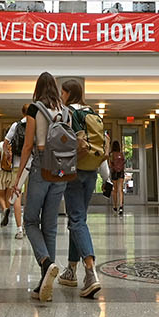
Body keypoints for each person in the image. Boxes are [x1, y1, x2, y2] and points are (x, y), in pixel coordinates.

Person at [13, 72, 71, 302]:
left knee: (29, 220)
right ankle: (43, 283)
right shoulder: (65, 111)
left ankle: (46, 263)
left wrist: (17, 179)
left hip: (40, 166)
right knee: (50, 226)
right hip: (61, 170)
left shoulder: (34, 110)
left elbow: (27, 146)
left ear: (38, 88)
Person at [56, 79, 104, 298]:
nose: (61, 95)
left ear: (67, 93)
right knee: (78, 220)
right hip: (91, 170)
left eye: (62, 92)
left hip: (74, 170)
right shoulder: (91, 111)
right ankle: (71, 271)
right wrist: (107, 177)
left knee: (76, 220)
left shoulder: (67, 112)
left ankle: (90, 271)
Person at [0, 117, 28, 237]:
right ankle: (28, 225)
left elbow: (6, 144)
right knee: (31, 196)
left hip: (17, 165)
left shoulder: (16, 125)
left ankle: (19, 229)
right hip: (33, 165)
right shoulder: (37, 123)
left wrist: (9, 155)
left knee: (16, 195)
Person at [108, 139, 126, 215]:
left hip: (114, 172)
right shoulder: (121, 154)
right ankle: (121, 206)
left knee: (115, 190)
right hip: (121, 173)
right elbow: (124, 163)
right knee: (120, 190)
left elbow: (109, 165)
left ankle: (115, 206)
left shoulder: (111, 154)